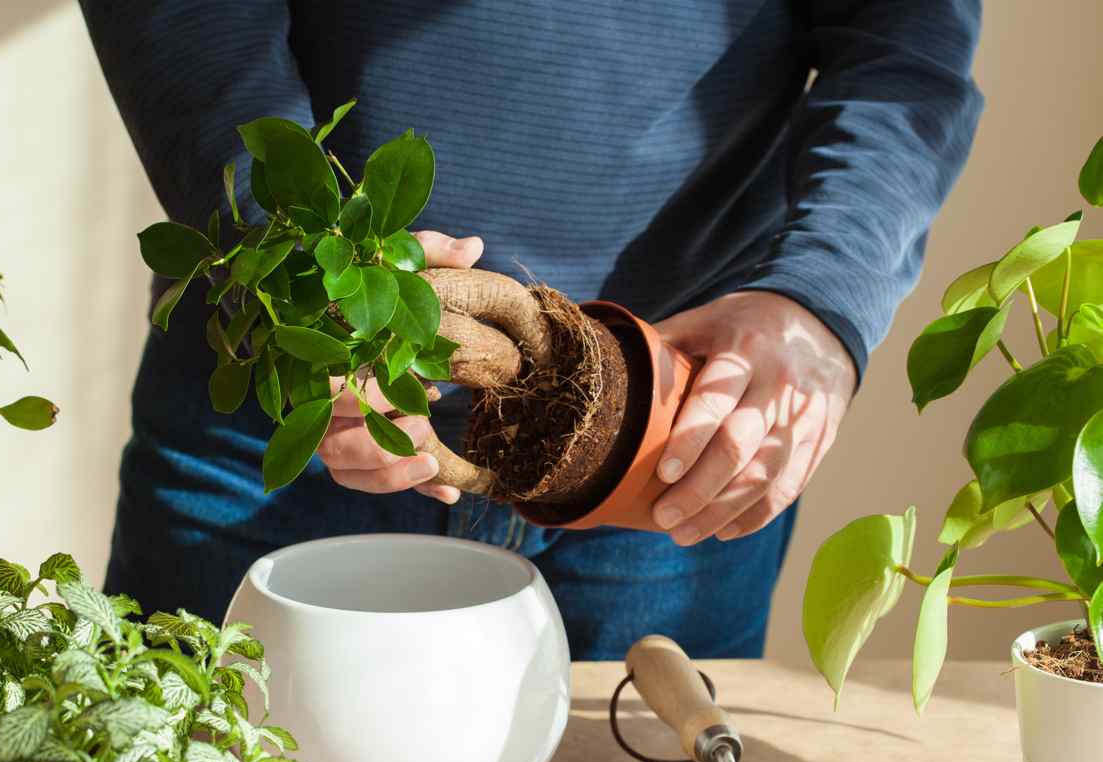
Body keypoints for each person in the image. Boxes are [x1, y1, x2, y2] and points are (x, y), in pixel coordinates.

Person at [78, 1, 982, 659]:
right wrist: (293, 262)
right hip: (285, 405)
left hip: (679, 439)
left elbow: (904, 43)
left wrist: (818, 297)